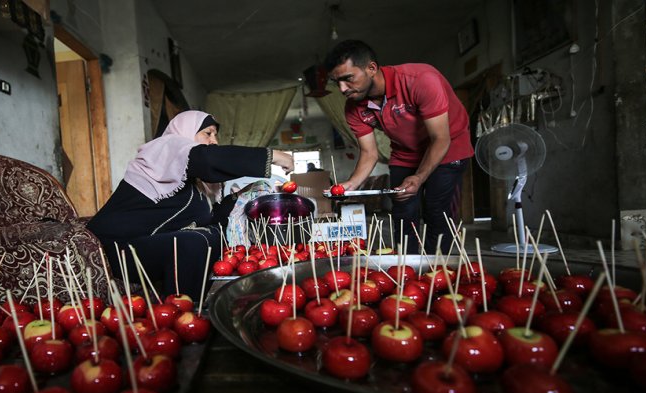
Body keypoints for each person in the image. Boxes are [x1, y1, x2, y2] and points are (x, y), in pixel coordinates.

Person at [86, 110, 294, 299]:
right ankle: (183, 311)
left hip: (148, 245)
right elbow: (207, 160)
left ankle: (212, 303)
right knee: (189, 243)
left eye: (215, 135)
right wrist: (273, 156)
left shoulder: (196, 185)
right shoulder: (166, 148)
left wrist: (241, 199)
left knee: (215, 234)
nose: (214, 141)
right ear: (185, 131)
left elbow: (216, 220)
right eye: (207, 133)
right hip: (114, 249)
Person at [323, 40, 474, 254]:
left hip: (448, 148)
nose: (342, 89)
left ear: (371, 68)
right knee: (403, 212)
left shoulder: (421, 80)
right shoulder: (353, 108)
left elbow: (440, 138)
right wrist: (352, 183)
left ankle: (437, 272)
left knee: (435, 210)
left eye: (348, 79)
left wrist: (419, 177)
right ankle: (406, 270)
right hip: (405, 154)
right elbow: (369, 152)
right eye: (336, 82)